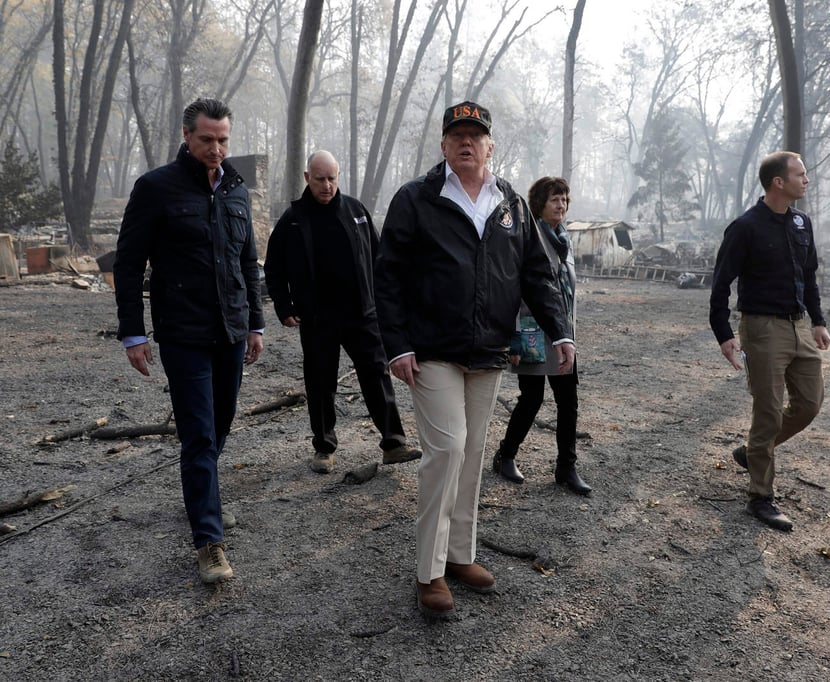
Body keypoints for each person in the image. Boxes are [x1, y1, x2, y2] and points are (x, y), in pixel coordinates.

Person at [374, 101, 575, 621]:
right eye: (456, 134)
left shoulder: (509, 201)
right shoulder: (417, 198)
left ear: (490, 145)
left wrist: (561, 330)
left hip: (487, 352)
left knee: (470, 454)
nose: (466, 142)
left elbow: (535, 272)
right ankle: (429, 570)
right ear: (443, 145)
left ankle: (460, 555)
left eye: (476, 135)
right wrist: (396, 344)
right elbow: (388, 276)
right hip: (431, 349)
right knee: (447, 449)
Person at [113, 97, 264, 583]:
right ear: (186, 136)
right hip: (183, 333)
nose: (216, 149)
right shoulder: (155, 188)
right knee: (198, 434)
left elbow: (247, 264)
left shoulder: (237, 190)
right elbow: (129, 263)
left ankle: (206, 496)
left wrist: (256, 323)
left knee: (220, 424)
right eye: (206, 140)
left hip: (232, 330)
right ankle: (209, 541)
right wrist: (134, 333)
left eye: (223, 140)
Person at [263, 151, 420, 473]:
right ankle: (324, 448)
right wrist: (284, 307)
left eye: (332, 178)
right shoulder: (293, 219)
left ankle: (393, 442)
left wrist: (388, 304)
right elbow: (274, 269)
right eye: (320, 178)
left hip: (362, 313)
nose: (327, 185)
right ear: (307, 178)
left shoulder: (355, 210)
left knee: (377, 376)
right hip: (317, 317)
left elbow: (379, 259)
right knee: (320, 383)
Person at [709, 150, 830, 532]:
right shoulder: (745, 227)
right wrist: (724, 334)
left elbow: (808, 276)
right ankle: (761, 496)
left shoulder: (801, 222)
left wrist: (818, 321)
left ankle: (751, 452)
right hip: (761, 329)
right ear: (778, 182)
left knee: (810, 404)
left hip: (798, 327)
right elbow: (721, 283)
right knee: (767, 410)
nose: (806, 180)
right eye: (800, 174)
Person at [492, 176, 591, 495]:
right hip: (532, 331)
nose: (561, 205)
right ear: (539, 205)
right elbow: (515, 290)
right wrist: (514, 339)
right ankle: (505, 456)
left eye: (564, 199)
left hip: (562, 334)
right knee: (532, 399)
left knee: (568, 401)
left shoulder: (565, 238)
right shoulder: (528, 237)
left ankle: (566, 468)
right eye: (554, 200)